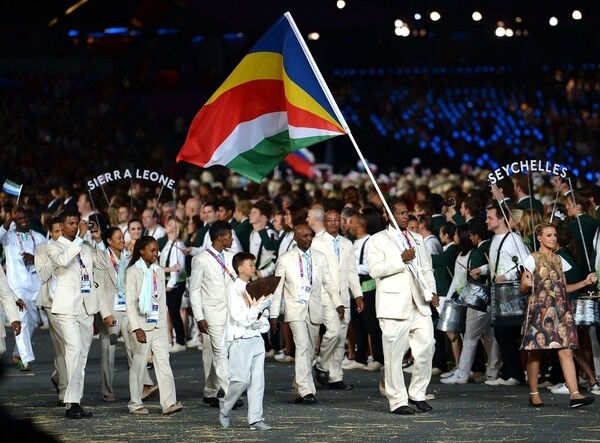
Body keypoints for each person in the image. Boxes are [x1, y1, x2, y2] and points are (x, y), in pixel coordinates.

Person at [367, 197, 439, 415]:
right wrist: (400, 259)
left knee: (427, 346)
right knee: (394, 356)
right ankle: (397, 400)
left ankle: (417, 393)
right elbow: (374, 270)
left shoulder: (417, 239)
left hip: (419, 302)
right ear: (387, 215)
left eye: (407, 212)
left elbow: (427, 269)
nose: (405, 216)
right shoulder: (378, 240)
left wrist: (432, 291)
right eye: (400, 213)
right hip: (393, 305)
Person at [520, 222, 595, 408]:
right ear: (539, 238)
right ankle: (534, 394)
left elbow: (563, 288)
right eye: (548, 235)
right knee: (535, 352)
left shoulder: (560, 260)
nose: (553, 238)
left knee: (566, 350)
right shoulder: (531, 259)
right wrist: (525, 285)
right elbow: (523, 288)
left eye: (554, 235)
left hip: (561, 309)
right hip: (539, 310)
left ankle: (575, 394)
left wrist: (584, 283)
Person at [270, 224, 339, 404]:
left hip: (314, 309)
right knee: (302, 347)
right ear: (295, 238)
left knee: (309, 351)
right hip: (295, 309)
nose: (309, 238)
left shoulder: (320, 257)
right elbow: (277, 289)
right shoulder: (285, 259)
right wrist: (274, 314)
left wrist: (338, 302)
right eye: (304, 236)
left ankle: (299, 387)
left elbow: (329, 282)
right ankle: (308, 390)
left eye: (310, 235)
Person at [47, 209, 107, 419]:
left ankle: (74, 402)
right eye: (71, 223)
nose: (75, 226)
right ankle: (71, 402)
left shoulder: (86, 246)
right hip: (66, 308)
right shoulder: (54, 247)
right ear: (61, 226)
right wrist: (81, 237)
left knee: (81, 357)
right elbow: (63, 261)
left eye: (77, 223)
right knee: (74, 349)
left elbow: (104, 264)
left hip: (86, 307)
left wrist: (98, 241)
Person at [96, 227, 158, 403]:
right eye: (119, 238)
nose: (122, 240)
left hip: (128, 309)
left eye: (123, 237)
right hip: (110, 309)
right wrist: (105, 313)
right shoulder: (102, 258)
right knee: (108, 352)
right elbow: (98, 288)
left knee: (136, 347)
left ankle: (144, 385)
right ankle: (107, 390)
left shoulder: (128, 256)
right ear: (109, 241)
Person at [125, 236, 183, 415]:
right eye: (152, 250)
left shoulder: (158, 271)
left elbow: (162, 300)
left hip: (157, 324)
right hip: (141, 325)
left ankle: (169, 403)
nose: (156, 253)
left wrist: (164, 326)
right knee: (139, 364)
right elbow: (129, 303)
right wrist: (136, 328)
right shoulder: (133, 272)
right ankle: (135, 404)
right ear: (141, 251)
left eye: (157, 250)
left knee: (164, 363)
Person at [189, 221, 241, 408]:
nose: (232, 239)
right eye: (229, 236)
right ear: (220, 238)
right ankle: (229, 393)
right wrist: (199, 317)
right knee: (217, 353)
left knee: (221, 354)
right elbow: (194, 291)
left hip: (231, 313)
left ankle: (210, 390)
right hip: (210, 314)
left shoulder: (233, 257)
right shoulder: (201, 260)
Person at [219, 252, 272, 431]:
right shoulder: (234, 289)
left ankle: (255, 419)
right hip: (240, 339)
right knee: (241, 380)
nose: (253, 267)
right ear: (240, 268)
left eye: (253, 264)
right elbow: (240, 317)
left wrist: (261, 315)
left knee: (258, 380)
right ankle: (225, 408)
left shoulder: (254, 286)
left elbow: (261, 316)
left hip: (256, 338)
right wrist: (258, 308)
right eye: (250, 264)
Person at [311, 209, 364, 390]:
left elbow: (351, 271)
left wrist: (358, 295)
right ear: (325, 222)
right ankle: (320, 364)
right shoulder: (317, 243)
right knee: (332, 332)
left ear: (340, 222)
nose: (333, 223)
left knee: (341, 337)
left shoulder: (347, 243)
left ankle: (336, 376)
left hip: (344, 296)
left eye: (336, 220)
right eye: (330, 220)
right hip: (325, 296)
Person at [0, 206, 47, 371]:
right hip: (16, 286)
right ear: (14, 220)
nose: (23, 221)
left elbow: (48, 259)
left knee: (32, 321)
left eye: (25, 218)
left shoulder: (39, 237)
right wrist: (9, 220)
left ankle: (18, 353)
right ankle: (26, 360)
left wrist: (34, 258)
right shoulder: (9, 237)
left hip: (34, 285)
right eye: (19, 218)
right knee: (22, 320)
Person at [34, 217, 67, 405]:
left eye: (62, 231)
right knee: (62, 347)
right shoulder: (41, 249)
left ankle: (58, 376)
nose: (60, 235)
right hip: (52, 302)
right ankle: (64, 391)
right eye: (56, 232)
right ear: (50, 233)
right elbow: (43, 275)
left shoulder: (74, 248)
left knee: (76, 347)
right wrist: (56, 257)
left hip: (74, 302)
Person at [345, 212, 384, 371]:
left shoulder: (370, 242)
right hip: (354, 288)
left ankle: (378, 358)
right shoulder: (354, 243)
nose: (349, 225)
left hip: (368, 287)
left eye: (351, 222)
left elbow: (370, 266)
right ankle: (360, 357)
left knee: (371, 324)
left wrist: (351, 270)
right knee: (357, 324)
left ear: (359, 224)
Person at [158, 217, 188, 352]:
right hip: (167, 280)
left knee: (174, 311)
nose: (167, 225)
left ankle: (180, 341)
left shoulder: (177, 245)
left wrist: (171, 284)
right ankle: (177, 340)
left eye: (171, 224)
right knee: (171, 311)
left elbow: (177, 267)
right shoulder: (168, 243)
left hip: (175, 283)